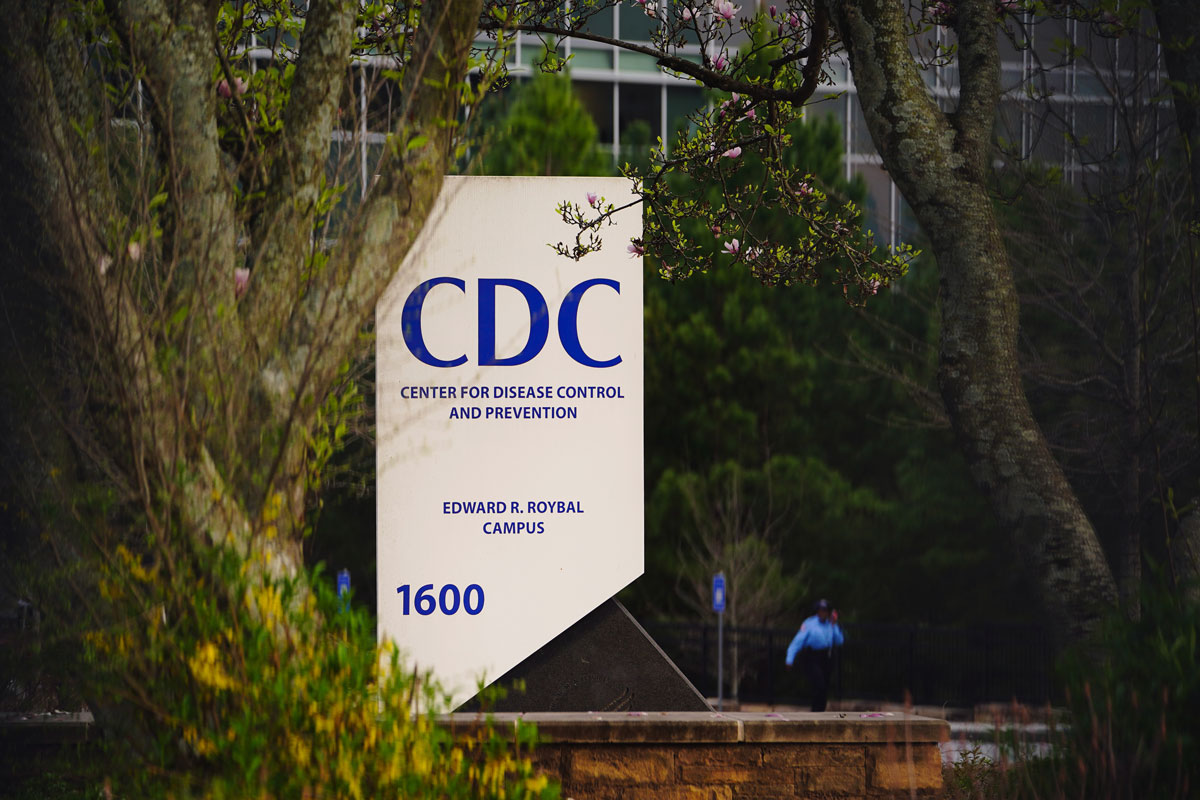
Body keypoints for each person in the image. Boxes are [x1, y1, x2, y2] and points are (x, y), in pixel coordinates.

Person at [785, 599, 844, 712]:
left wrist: (834, 625)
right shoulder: (809, 623)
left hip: (826, 657)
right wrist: (789, 658)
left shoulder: (831, 625)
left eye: (825, 611)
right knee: (819, 684)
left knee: (825, 687)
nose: (823, 613)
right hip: (812, 657)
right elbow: (797, 641)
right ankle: (815, 711)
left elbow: (839, 641)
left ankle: (820, 712)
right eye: (821, 610)